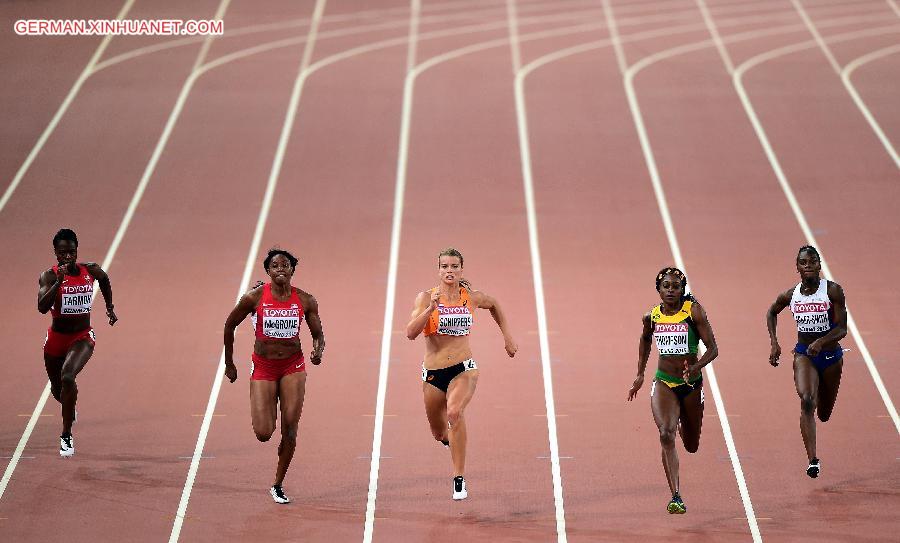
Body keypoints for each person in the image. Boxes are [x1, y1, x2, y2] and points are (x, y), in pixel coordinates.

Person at [406, 248, 517, 500]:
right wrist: (430, 310)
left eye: (454, 266)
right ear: (438, 270)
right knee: (438, 433)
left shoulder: (471, 297)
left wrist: (507, 336)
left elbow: (495, 304)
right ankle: (452, 442)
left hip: (463, 368)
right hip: (433, 373)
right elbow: (410, 333)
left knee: (455, 412)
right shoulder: (425, 298)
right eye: (445, 266)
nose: (449, 271)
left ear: (461, 270)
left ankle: (459, 478)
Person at [223, 248, 324, 504]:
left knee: (290, 429)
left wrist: (317, 351)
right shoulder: (253, 298)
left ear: (292, 270)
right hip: (264, 367)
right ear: (268, 271)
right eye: (275, 265)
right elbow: (229, 324)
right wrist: (229, 363)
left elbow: (318, 334)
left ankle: (278, 484)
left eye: (285, 265)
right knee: (264, 432)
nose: (281, 268)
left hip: (293, 366)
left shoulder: (306, 300)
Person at [627, 267, 718, 514]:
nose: (670, 291)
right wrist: (640, 373)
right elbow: (645, 340)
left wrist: (697, 366)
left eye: (675, 287)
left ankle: (682, 419)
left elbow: (713, 349)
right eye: (665, 286)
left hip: (691, 385)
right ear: (658, 289)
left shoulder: (693, 312)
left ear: (682, 290)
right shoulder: (652, 317)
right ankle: (676, 496)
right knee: (666, 435)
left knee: (691, 445)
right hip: (664, 381)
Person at [766, 245, 846, 479]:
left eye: (812, 262)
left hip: (831, 357)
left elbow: (842, 328)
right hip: (804, 355)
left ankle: (821, 399)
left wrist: (822, 342)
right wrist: (775, 343)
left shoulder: (832, 291)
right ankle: (813, 459)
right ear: (797, 267)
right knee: (807, 400)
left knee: (824, 413)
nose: (808, 266)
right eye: (804, 262)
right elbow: (771, 312)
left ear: (819, 265)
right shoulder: (791, 295)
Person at [37, 228, 117, 457]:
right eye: (63, 253)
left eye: (71, 252)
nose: (68, 257)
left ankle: (65, 435)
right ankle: (69, 407)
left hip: (82, 336)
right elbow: (42, 307)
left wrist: (109, 307)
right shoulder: (49, 276)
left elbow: (104, 279)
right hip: (56, 339)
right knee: (57, 390)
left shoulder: (89, 270)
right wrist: (58, 284)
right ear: (56, 253)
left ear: (76, 251)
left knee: (68, 375)